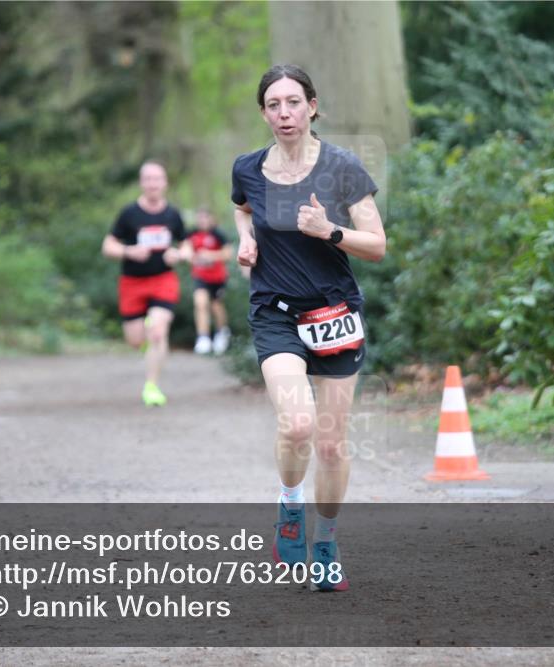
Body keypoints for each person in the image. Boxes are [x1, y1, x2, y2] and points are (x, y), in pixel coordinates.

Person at [231, 64, 386, 591]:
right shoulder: (248, 168)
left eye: (293, 102)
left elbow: (378, 245)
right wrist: (246, 240)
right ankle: (290, 506)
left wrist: (330, 230)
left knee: (330, 444)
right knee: (296, 425)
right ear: (263, 113)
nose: (284, 113)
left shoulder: (341, 168)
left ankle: (326, 543)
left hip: (335, 313)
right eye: (273, 105)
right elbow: (242, 208)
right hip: (275, 312)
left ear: (313, 106)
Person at [102, 160, 188, 407]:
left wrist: (179, 255)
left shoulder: (173, 215)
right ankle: (148, 341)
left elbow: (186, 246)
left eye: (157, 179)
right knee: (136, 340)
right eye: (148, 179)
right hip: (132, 282)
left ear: (164, 183)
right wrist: (128, 251)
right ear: (142, 183)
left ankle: (152, 386)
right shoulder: (129, 214)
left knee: (158, 330)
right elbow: (107, 246)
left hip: (163, 279)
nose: (152, 184)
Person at [188, 207, 232, 355]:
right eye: (200, 218)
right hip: (200, 277)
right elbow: (188, 252)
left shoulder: (218, 234)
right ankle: (203, 338)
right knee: (200, 303)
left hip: (217, 278)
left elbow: (228, 254)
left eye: (205, 217)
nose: (202, 221)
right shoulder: (192, 234)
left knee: (216, 306)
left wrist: (210, 255)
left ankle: (222, 333)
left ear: (211, 219)